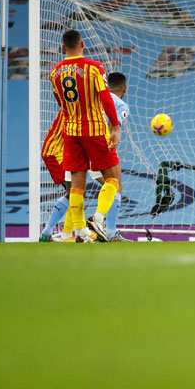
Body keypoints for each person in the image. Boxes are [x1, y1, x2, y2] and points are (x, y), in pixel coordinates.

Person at [49, 29, 121, 243]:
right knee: (113, 179)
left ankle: (80, 230)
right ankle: (97, 219)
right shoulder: (94, 67)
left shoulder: (54, 72)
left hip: (71, 131)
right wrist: (115, 126)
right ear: (82, 44)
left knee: (77, 183)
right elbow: (105, 98)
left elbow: (61, 103)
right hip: (95, 129)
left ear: (63, 47)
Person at [88, 72, 131, 242]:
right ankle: (108, 230)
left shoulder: (93, 98)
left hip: (79, 143)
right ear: (124, 89)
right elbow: (114, 125)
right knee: (115, 184)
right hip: (100, 145)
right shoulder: (120, 105)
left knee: (75, 189)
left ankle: (77, 231)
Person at [38, 109, 71, 242]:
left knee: (75, 192)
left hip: (61, 150)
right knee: (75, 191)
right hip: (55, 151)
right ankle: (67, 234)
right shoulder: (73, 104)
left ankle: (48, 233)